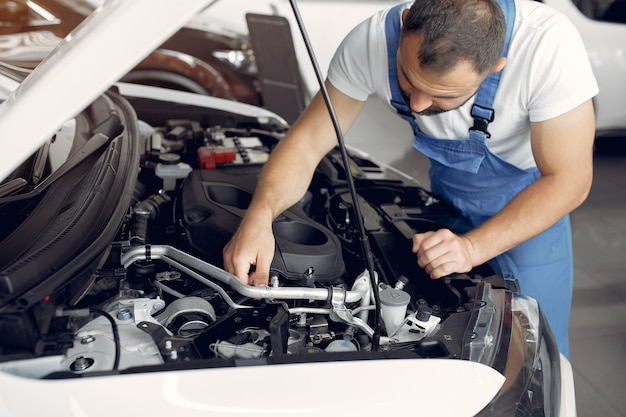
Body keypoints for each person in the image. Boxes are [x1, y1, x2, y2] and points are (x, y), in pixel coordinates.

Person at [223, 0, 598, 357]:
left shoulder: (547, 46)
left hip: (534, 205)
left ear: (495, 68)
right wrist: (260, 216)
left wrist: (472, 248)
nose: (417, 105)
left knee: (530, 341)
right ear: (405, 24)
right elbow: (306, 143)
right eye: (407, 79)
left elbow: (569, 179)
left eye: (442, 94)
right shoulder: (370, 40)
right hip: (450, 194)